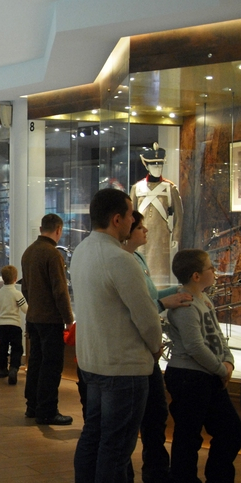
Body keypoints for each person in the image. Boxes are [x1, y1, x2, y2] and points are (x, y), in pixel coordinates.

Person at [72, 188, 162, 482]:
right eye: (131, 214)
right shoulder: (120, 259)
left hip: (92, 362)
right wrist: (155, 346)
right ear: (117, 219)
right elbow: (146, 317)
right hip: (123, 367)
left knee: (93, 436)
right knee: (115, 448)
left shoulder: (82, 251)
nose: (134, 219)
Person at [122, 210, 191, 483]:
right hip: (135, 352)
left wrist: (176, 293)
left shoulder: (138, 258)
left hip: (148, 351)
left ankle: (157, 471)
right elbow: (138, 308)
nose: (146, 231)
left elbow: (150, 296)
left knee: (156, 413)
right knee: (139, 418)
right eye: (141, 227)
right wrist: (164, 302)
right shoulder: (124, 262)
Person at [164, 249, 241, 482]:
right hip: (189, 377)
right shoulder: (185, 304)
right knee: (188, 437)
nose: (215, 271)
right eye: (210, 267)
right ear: (196, 276)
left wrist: (228, 361)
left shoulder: (204, 299)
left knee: (230, 430)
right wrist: (221, 369)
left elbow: (216, 335)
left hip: (208, 375)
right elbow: (194, 346)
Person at [20, 214, 73, 425]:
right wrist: (68, 317)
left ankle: (32, 406)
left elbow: (25, 288)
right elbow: (60, 291)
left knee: (35, 362)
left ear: (42, 228)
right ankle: (47, 410)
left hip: (33, 316)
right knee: (51, 365)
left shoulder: (29, 252)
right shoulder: (53, 254)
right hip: (50, 319)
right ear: (58, 230)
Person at [130, 142, 183, 286]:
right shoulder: (137, 188)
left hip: (161, 237)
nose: (158, 168)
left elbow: (179, 215)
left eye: (160, 165)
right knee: (141, 273)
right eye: (154, 165)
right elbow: (130, 215)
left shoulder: (170, 188)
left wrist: (176, 236)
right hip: (140, 236)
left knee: (161, 276)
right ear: (147, 166)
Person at [0, 265, 28, 385]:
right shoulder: (17, 293)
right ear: (15, 278)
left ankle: (2, 369)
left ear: (3, 278)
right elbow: (25, 309)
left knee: (2, 347)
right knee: (16, 348)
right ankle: (13, 368)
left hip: (1, 325)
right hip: (15, 324)